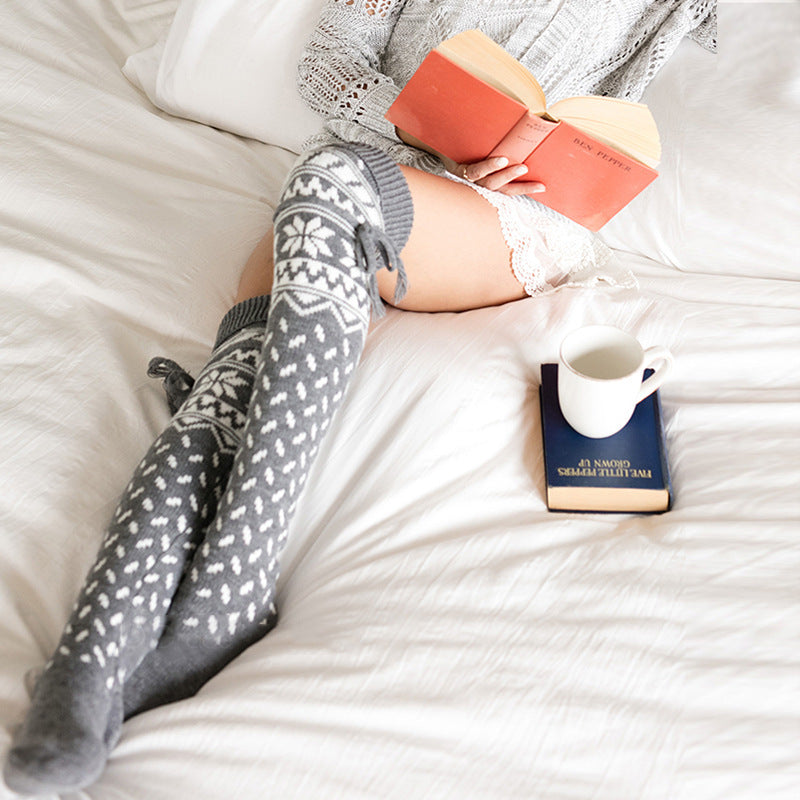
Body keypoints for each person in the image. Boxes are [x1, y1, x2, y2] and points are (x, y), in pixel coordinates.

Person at [3, 0, 713, 794]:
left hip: (501, 218)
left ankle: (234, 573)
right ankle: (87, 668)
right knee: (230, 382)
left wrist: (530, 155)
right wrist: (430, 130)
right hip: (343, 195)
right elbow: (330, 63)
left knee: (331, 182)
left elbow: (611, 135)